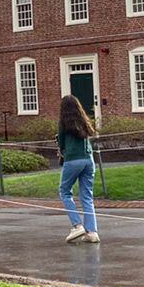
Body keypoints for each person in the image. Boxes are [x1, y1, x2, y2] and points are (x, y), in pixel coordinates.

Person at [57, 94, 100, 244]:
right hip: (89, 159)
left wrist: (62, 150)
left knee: (65, 191)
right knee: (87, 196)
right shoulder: (84, 121)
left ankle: (77, 225)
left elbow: (61, 144)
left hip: (73, 160)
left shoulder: (63, 123)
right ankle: (92, 232)